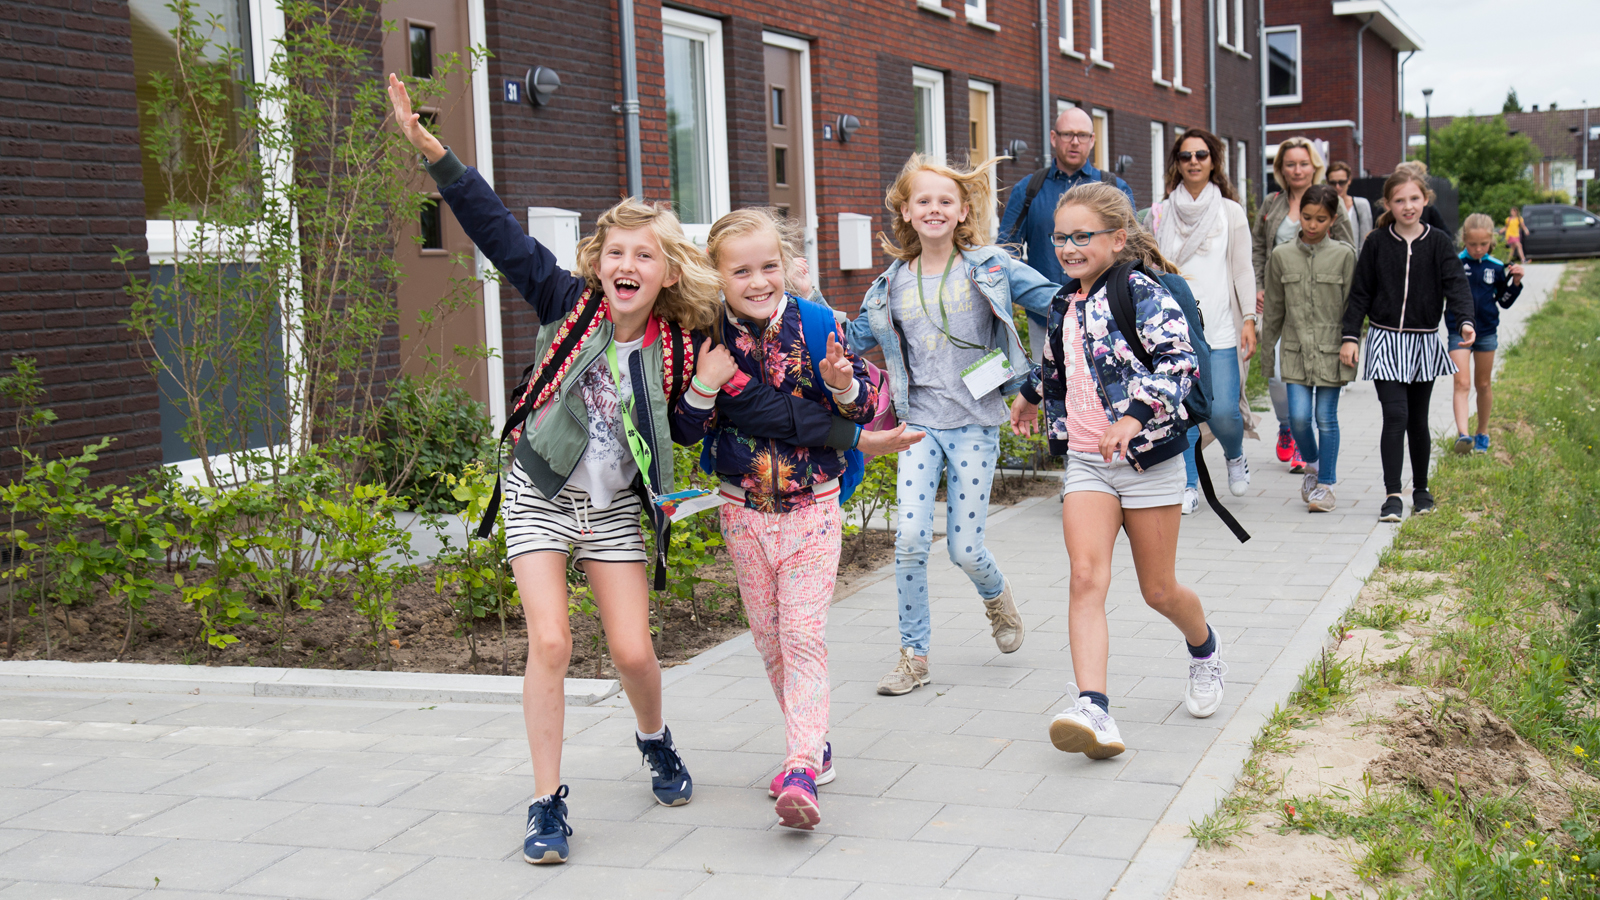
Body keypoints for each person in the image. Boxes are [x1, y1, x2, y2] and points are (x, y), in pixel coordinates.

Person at [388, 74, 720, 865]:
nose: (627, 263)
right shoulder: (564, 303)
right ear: (598, 265)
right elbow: (495, 228)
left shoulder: (678, 345)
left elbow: (684, 431)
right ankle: (546, 803)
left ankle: (654, 738)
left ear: (668, 272)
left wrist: (708, 389)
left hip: (612, 511)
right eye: (616, 252)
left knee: (635, 653)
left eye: (645, 254)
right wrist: (435, 155)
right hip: (538, 487)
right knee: (551, 643)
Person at [676, 207, 921, 830]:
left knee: (803, 636)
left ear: (785, 263)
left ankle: (802, 766)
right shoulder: (706, 334)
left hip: (813, 510)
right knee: (768, 641)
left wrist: (842, 386)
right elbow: (687, 427)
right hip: (741, 512)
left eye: (768, 266)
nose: (758, 281)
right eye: (742, 271)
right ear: (717, 275)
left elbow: (869, 403)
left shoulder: (819, 323)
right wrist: (705, 385)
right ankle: (813, 741)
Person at [1009, 182, 1222, 759]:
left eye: (1083, 236)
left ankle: (1204, 649)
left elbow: (1179, 362)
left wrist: (1133, 416)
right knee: (1085, 578)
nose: (1069, 247)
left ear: (1117, 238)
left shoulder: (1140, 290)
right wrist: (1032, 393)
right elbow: (1060, 360)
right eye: (1060, 237)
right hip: (1087, 462)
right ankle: (1094, 709)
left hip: (1148, 461)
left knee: (1158, 590)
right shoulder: (1062, 300)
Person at [846, 154, 1057, 696]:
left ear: (963, 210)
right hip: (919, 424)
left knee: (964, 548)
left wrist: (1113, 291)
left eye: (946, 200)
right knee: (911, 539)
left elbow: (1057, 301)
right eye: (924, 201)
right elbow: (846, 337)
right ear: (906, 212)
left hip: (976, 424)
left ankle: (996, 595)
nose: (934, 209)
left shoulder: (989, 267)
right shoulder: (889, 285)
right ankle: (914, 656)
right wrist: (799, 302)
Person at [1340, 169, 1476, 523]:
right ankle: (1392, 495)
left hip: (1423, 342)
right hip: (1385, 340)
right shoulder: (1376, 242)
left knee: (1418, 419)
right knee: (1395, 415)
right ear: (1388, 204)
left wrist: (1464, 321)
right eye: (1399, 200)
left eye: (1414, 199)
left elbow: (1456, 286)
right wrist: (1351, 336)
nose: (1407, 206)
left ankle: (1421, 490)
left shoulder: (1439, 243)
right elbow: (1360, 293)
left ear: (1425, 200)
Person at [1146, 127, 1258, 514]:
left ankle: (1234, 452)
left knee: (1224, 410)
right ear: (1176, 164)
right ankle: (1189, 484)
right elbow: (1149, 267)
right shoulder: (1158, 213)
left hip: (1223, 326)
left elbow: (1243, 270)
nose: (1194, 162)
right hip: (1177, 329)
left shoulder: (1230, 211)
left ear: (1214, 161)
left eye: (1201, 155)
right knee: (1184, 411)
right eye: (1186, 156)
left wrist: (1249, 319)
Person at [1252, 137, 1355, 475]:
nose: (1297, 169)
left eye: (1303, 163)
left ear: (1314, 166)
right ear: (1281, 168)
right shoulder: (1273, 202)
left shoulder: (1331, 204)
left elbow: (1348, 257)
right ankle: (1289, 428)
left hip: (1322, 307)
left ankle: (1321, 473)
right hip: (1282, 299)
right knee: (1283, 384)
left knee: (1325, 415)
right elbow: (1259, 248)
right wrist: (1260, 285)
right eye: (1290, 163)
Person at [999, 107, 1136, 359]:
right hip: (1046, 318)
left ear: (1092, 140)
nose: (1075, 142)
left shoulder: (1114, 188)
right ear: (1053, 137)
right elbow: (1007, 252)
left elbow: (1132, 251)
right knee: (1050, 391)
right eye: (1067, 134)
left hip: (1106, 318)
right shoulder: (1029, 190)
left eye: (1082, 135)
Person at [1448, 212, 1524, 454]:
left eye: (1483, 244)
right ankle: (1463, 435)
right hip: (1458, 330)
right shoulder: (1455, 263)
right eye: (1472, 244)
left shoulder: (1496, 267)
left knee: (1483, 384)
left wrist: (1516, 284)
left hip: (1487, 332)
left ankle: (1482, 432)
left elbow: (1504, 301)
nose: (1478, 249)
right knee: (1462, 382)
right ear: (1464, 241)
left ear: (1491, 241)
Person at [1325, 161, 1373, 244]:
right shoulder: (1323, 206)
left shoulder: (1361, 205)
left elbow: (1366, 239)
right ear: (1327, 182)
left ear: (1349, 180)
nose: (1337, 187)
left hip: (1356, 255)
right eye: (1332, 183)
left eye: (1341, 182)